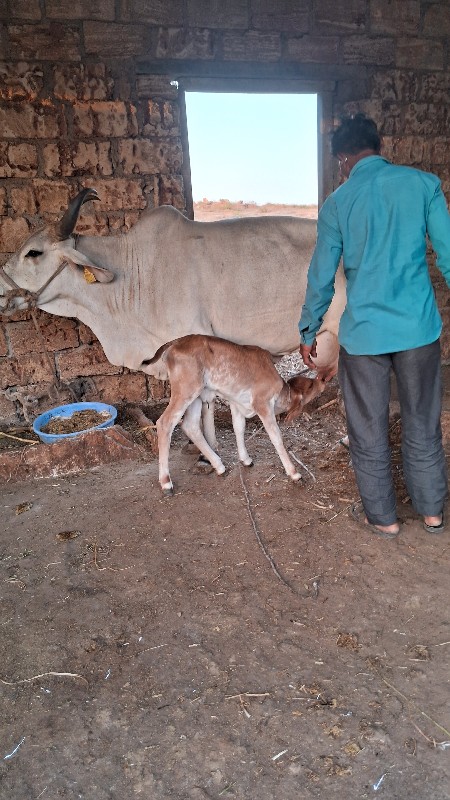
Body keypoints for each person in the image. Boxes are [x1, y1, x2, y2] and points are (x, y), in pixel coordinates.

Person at [299, 113, 450, 539]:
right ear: (377, 147)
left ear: (344, 158)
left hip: (365, 337)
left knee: (368, 427)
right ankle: (432, 511)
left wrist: (308, 328)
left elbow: (321, 275)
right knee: (422, 420)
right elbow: (448, 252)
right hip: (418, 330)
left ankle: (384, 517)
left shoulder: (338, 203)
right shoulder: (423, 185)